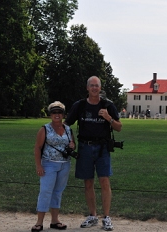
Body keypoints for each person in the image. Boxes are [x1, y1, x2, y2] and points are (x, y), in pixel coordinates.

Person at [65, 76, 122, 231]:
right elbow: (66, 124)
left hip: (102, 148)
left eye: (97, 86)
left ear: (100, 87)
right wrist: (71, 140)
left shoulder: (108, 105)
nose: (94, 88)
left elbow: (119, 127)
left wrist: (108, 118)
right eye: (92, 85)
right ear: (87, 88)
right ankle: (92, 215)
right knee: (88, 182)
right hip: (84, 147)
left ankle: (107, 217)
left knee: (104, 181)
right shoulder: (80, 106)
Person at [32, 101, 75, 232]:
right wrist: (38, 165)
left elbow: (72, 144)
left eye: (59, 112)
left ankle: (55, 220)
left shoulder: (68, 129)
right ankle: (39, 222)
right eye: (54, 112)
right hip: (49, 164)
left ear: (63, 114)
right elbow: (37, 148)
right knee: (45, 191)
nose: (57, 115)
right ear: (50, 114)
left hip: (64, 165)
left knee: (57, 192)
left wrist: (72, 146)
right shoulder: (44, 129)